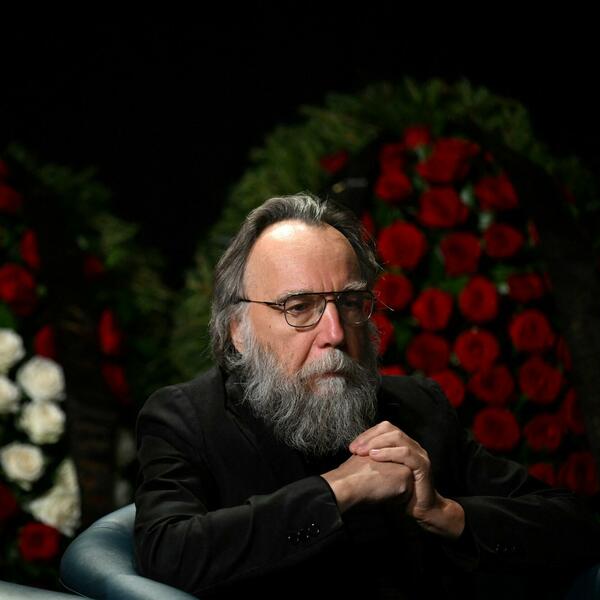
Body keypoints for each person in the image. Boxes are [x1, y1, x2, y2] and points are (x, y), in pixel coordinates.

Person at [134, 193, 600, 599]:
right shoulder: (186, 418)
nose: (336, 333)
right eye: (299, 307)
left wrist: (447, 513)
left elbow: (575, 521)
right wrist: (338, 489)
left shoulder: (418, 406)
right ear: (238, 330)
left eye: (351, 303)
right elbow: (166, 554)